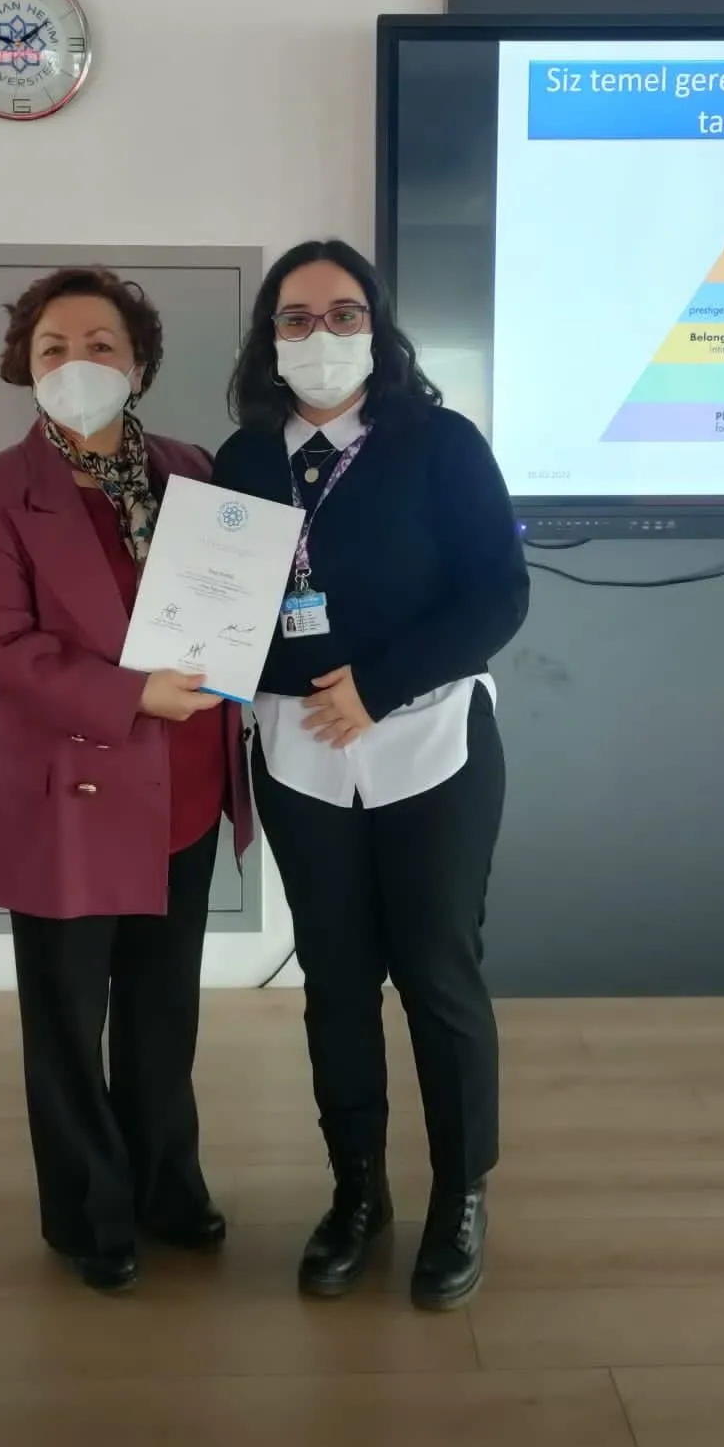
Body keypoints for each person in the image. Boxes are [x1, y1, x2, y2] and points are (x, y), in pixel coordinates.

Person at [214, 239, 528, 1310]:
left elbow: (498, 595)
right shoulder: (244, 460)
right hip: (300, 752)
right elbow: (221, 615)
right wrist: (235, 672)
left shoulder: (441, 443)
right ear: (269, 338)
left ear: (377, 328)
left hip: (431, 742)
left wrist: (378, 687)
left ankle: (460, 1194)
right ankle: (357, 1192)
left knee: (438, 971)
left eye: (343, 313)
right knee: (337, 982)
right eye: (295, 317)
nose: (321, 335)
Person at [0, 266, 250, 1294]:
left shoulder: (192, 473)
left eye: (101, 344)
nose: (78, 363)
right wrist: (131, 694)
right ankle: (90, 1212)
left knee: (164, 1012)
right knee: (69, 1022)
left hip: (184, 787)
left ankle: (167, 1186)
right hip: (68, 793)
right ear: (25, 369)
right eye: (54, 348)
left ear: (141, 363)